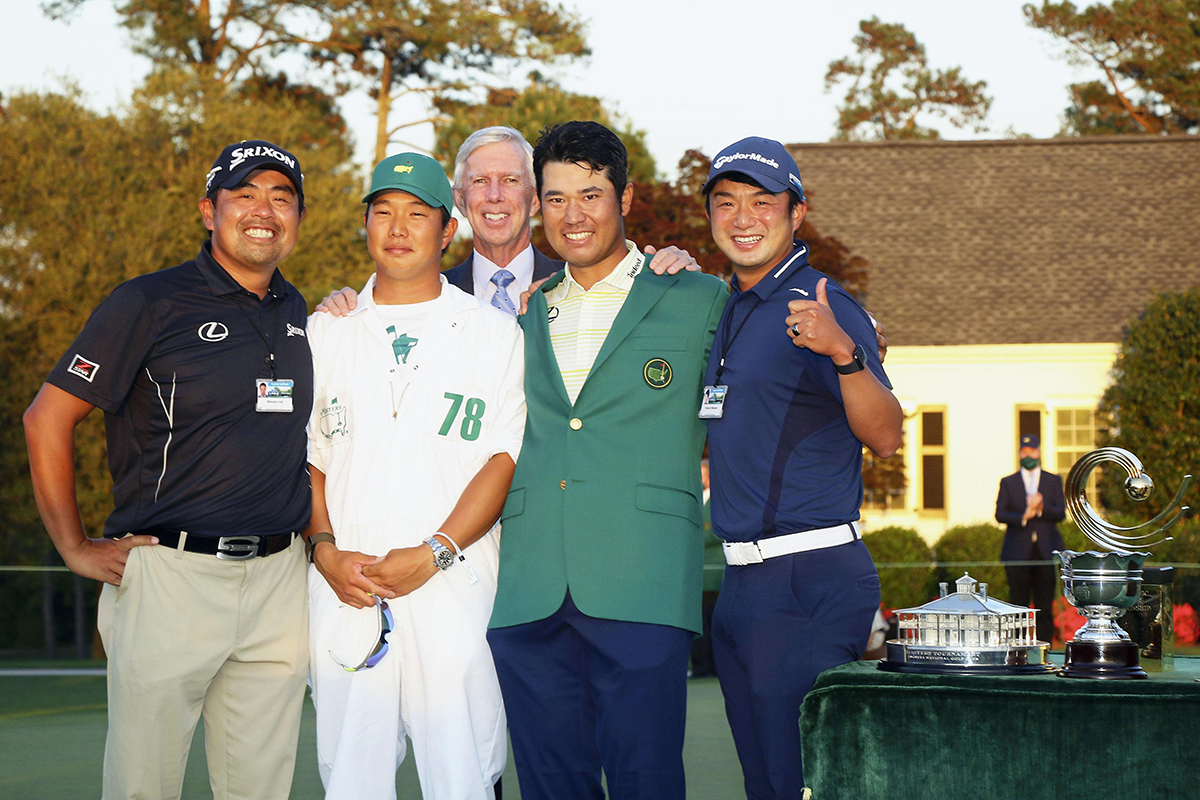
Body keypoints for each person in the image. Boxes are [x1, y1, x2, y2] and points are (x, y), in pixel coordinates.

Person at [23, 140, 312, 800]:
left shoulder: (301, 312)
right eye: (245, 196)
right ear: (209, 211)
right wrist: (72, 546)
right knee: (142, 788)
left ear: (296, 218)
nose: (264, 211)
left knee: (260, 789)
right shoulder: (147, 303)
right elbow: (46, 419)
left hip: (278, 583)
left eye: (281, 198)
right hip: (171, 577)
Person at [484, 121, 729, 800]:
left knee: (646, 783)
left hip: (643, 580)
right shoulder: (522, 316)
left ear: (624, 197)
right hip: (531, 590)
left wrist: (859, 339)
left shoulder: (697, 298)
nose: (573, 215)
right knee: (550, 787)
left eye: (590, 194)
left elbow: (767, 371)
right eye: (557, 198)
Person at [303, 152, 526, 800]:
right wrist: (325, 555)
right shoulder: (325, 331)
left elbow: (502, 459)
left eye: (417, 213)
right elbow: (309, 460)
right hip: (348, 586)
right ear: (366, 225)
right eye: (383, 212)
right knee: (351, 781)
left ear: (446, 229)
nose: (398, 227)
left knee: (462, 778)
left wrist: (435, 552)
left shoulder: (494, 333)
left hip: (455, 581)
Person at [700, 136, 903, 800]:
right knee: (767, 785)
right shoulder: (730, 308)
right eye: (725, 202)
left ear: (797, 214)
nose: (743, 217)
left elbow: (888, 435)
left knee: (801, 784)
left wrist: (843, 351)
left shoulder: (820, 300)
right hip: (742, 586)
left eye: (763, 202)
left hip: (807, 580)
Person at [314, 127, 699, 316]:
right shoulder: (430, 297)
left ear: (535, 199)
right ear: (460, 200)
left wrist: (676, 272)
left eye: (511, 181)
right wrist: (348, 305)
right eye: (480, 181)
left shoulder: (580, 286)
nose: (494, 195)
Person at [995, 433, 1065, 644]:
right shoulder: (1008, 482)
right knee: (1018, 605)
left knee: (1044, 604)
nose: (1028, 455)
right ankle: (1018, 649)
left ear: (1039, 452)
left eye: (1031, 451)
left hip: (1045, 551)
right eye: (1024, 451)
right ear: (1019, 454)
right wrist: (1023, 516)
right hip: (1017, 552)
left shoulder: (1053, 480)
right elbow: (1000, 514)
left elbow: (1060, 513)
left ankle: (1045, 648)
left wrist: (1041, 509)